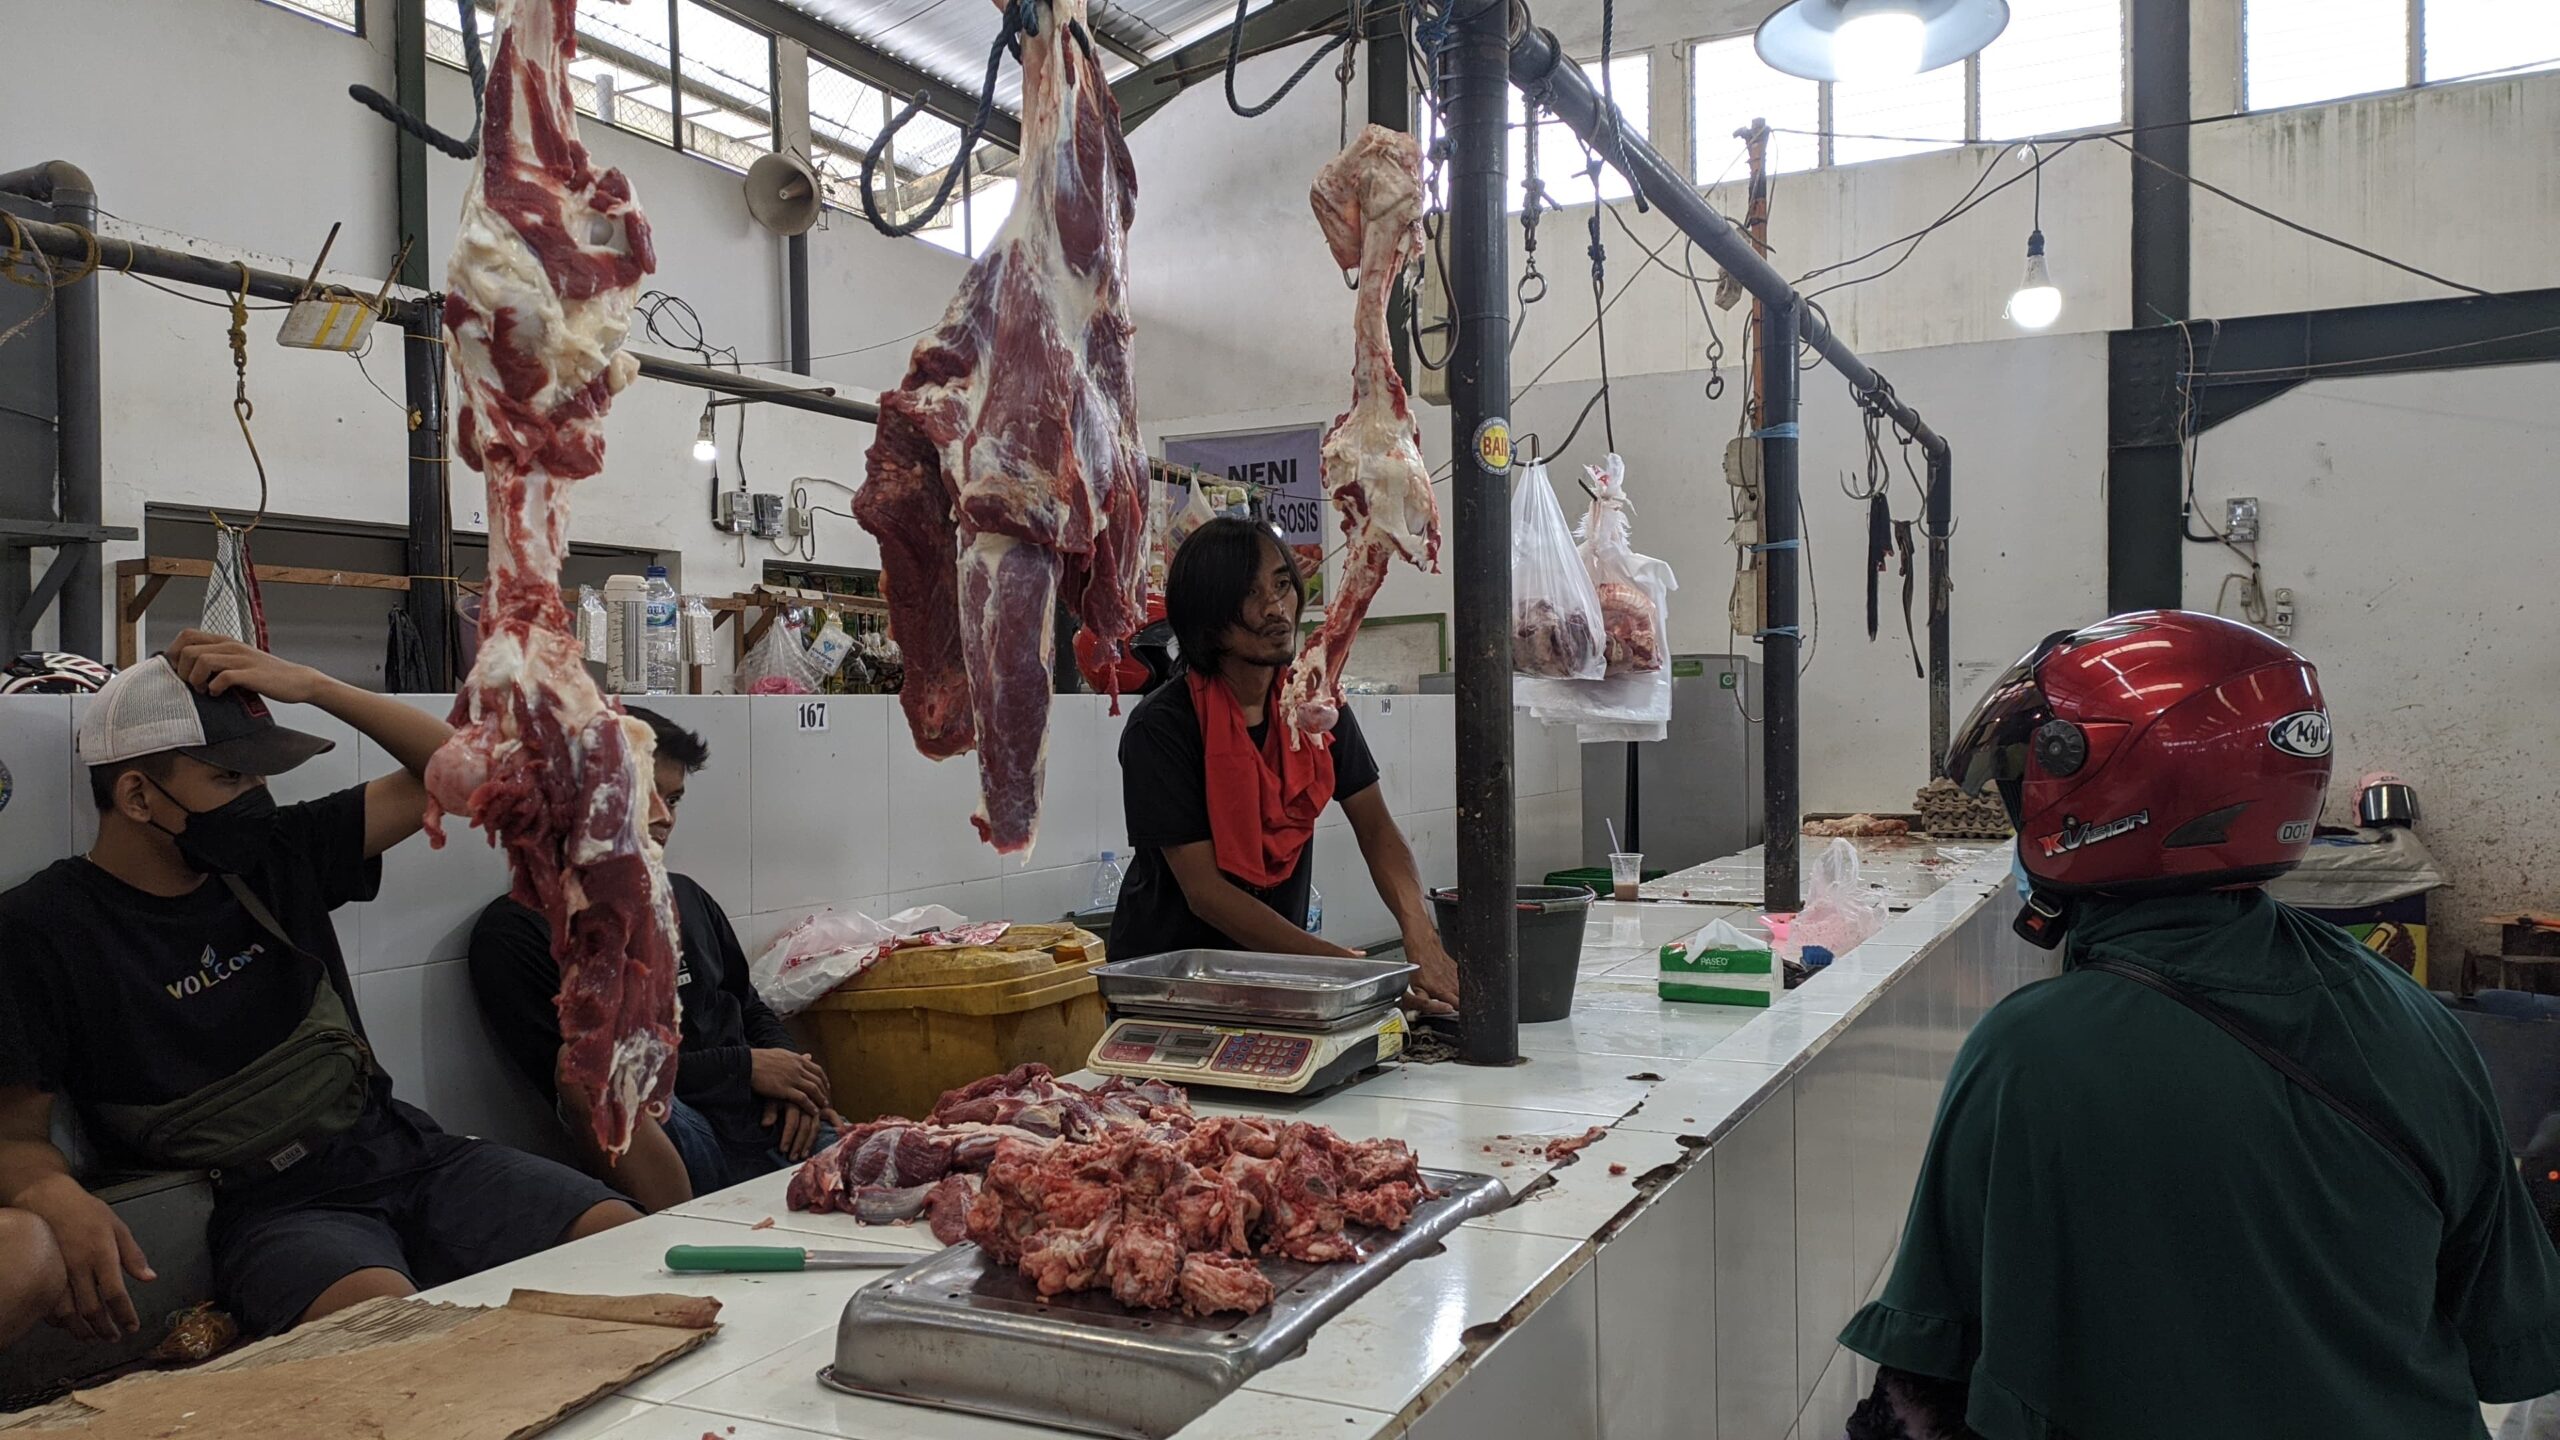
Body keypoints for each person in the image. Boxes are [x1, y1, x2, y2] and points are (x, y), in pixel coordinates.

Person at [1841, 610, 2560, 1439]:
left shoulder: (2029, 1053)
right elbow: (2507, 1339)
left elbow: (1925, 1384)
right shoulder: (2411, 1015)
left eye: (2024, 786)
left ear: (2106, 796)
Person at [0, 634, 639, 1343]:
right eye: (230, 779)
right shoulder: (43, 929)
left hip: (401, 1151)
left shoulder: (278, 854)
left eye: (261, 777)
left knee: (623, 1244)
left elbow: (482, 775)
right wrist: (52, 1193)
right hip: (266, 1207)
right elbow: (16, 1135)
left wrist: (315, 685)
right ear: (138, 795)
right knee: (388, 1336)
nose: (257, 798)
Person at [468, 707, 838, 1211]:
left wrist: (792, 1082)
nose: (666, 817)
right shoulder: (517, 934)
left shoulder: (685, 896)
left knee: (902, 1182)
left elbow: (746, 1005)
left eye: (675, 798)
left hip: (766, 1124)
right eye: (644, 795)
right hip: (678, 1147)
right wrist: (744, 1068)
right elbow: (590, 1084)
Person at [1113, 517, 1460, 1013]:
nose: (1276, 608)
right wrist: (1347, 974)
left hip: (1281, 979)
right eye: (1249, 594)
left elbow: (1376, 827)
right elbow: (1206, 892)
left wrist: (1420, 932)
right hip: (1177, 991)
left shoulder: (1314, 706)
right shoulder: (1162, 727)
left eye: (1281, 584)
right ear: (1207, 617)